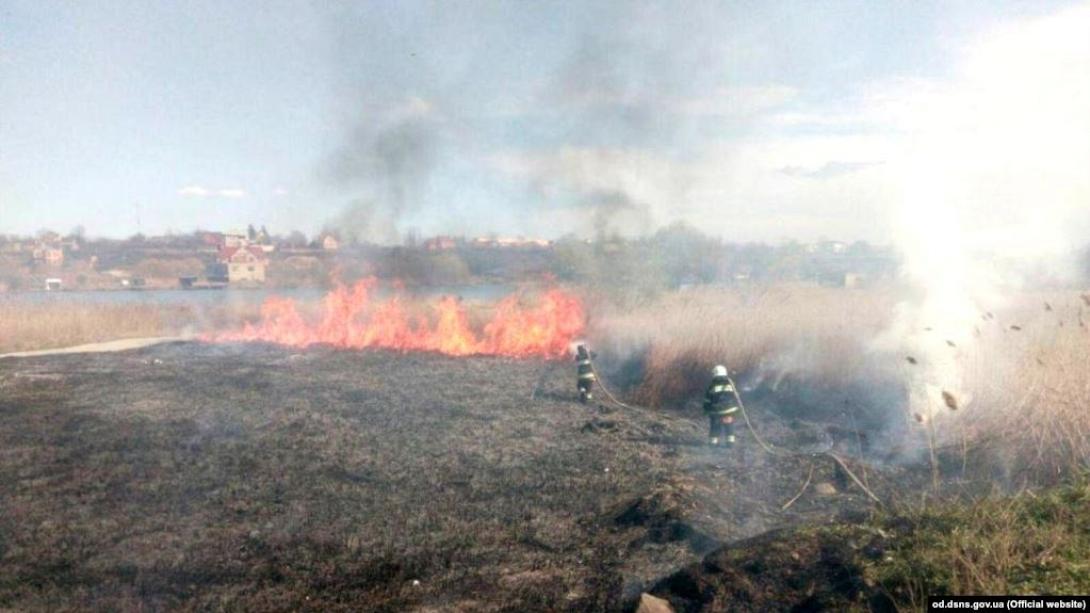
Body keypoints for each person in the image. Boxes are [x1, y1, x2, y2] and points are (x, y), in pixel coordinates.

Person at [703, 364, 739, 447]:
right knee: (729, 426)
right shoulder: (731, 383)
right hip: (730, 410)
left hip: (717, 411)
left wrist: (706, 408)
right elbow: (736, 396)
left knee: (715, 427)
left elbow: (708, 399)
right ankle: (730, 443)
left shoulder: (712, 385)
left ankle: (713, 444)